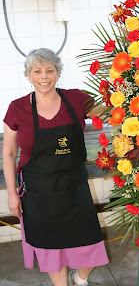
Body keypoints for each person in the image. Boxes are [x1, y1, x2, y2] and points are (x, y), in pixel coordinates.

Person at [3, 48, 109, 286]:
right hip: (38, 193)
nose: (44, 76)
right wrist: (12, 194)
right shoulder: (17, 108)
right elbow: (9, 153)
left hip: (75, 189)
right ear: (29, 75)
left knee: (90, 243)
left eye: (50, 70)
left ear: (58, 73)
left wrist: (127, 97)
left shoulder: (76, 99)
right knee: (51, 251)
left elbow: (107, 112)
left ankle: (80, 280)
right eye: (37, 71)